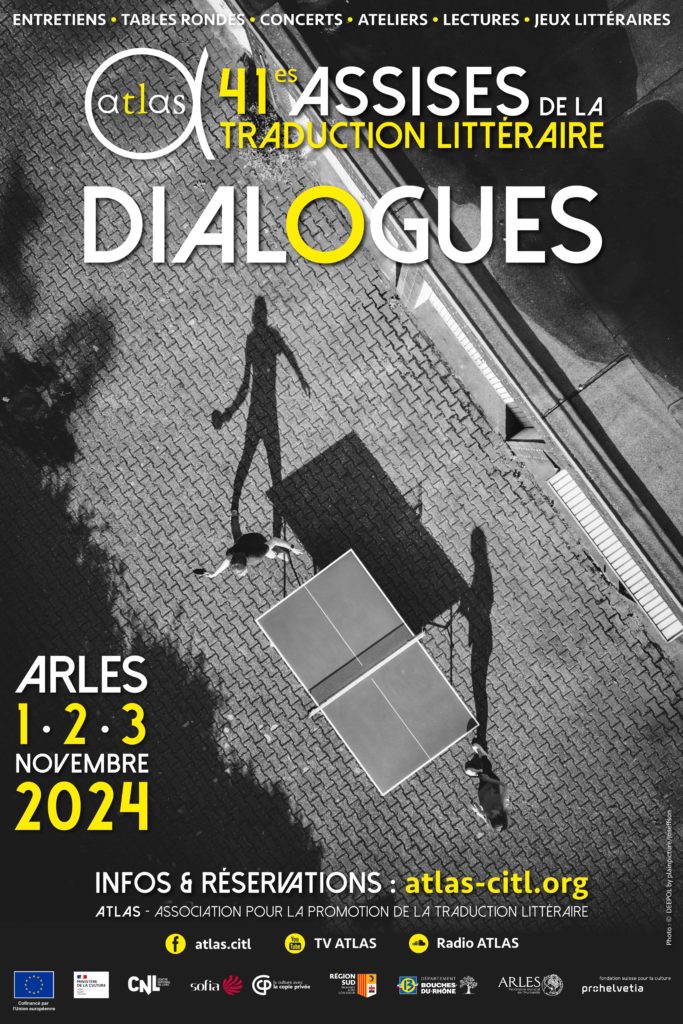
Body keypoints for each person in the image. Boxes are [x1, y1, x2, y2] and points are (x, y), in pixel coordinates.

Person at [193, 532, 302, 580]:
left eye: (242, 573)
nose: (242, 575)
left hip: (257, 539)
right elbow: (226, 562)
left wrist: (292, 548)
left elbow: (274, 540)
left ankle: (277, 552)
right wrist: (214, 574)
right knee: (238, 538)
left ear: (246, 564)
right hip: (243, 540)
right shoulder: (231, 554)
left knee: (274, 555)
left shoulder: (257, 556)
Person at [464, 742, 509, 831]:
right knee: (485, 770)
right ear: (500, 814)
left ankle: (479, 766)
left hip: (483, 793)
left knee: (478, 770)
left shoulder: (491, 821)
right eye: (493, 814)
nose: (490, 814)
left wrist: (478, 811)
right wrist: (489, 779)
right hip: (492, 784)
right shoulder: (503, 804)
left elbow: (485, 818)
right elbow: (504, 786)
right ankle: (481, 753)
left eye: (490, 817)